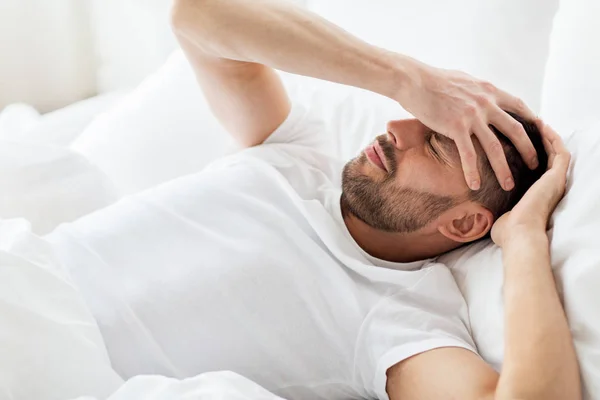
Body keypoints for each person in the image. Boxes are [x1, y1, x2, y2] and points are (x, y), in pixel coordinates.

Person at [45, 0, 580, 399]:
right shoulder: (299, 153)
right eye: (418, 116)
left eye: (435, 143)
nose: (395, 126)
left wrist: (524, 236)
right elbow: (197, 18)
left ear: (466, 225)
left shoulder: (401, 317)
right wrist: (408, 79)